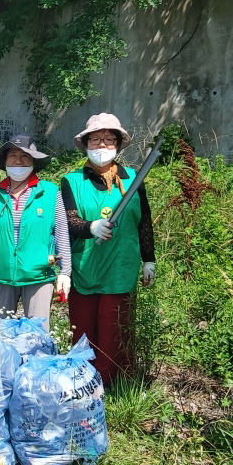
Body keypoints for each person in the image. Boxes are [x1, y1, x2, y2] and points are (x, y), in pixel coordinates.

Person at [61, 113, 155, 387]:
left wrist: (149, 259)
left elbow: (144, 220)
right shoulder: (72, 180)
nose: (102, 145)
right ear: (86, 143)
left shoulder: (134, 179)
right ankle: (83, 384)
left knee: (116, 331)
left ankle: (115, 386)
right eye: (96, 139)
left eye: (109, 140)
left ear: (117, 145)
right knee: (83, 330)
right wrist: (90, 227)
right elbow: (67, 219)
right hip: (85, 267)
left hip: (120, 267)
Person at [0, 135, 71, 327]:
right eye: (13, 155)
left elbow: (61, 233)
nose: (18, 160)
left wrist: (65, 272)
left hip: (38, 274)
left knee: (37, 335)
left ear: (33, 161)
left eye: (25, 156)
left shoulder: (50, 192)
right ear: (5, 161)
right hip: (4, 274)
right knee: (1, 333)